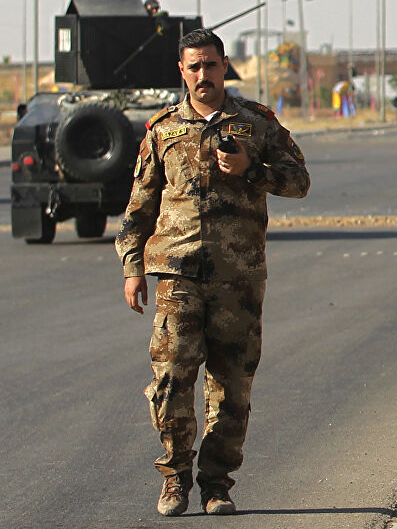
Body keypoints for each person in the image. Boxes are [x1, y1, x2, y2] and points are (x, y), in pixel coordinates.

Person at [118, 27, 312, 517]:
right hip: (177, 272)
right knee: (172, 378)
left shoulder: (256, 123)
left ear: (225, 66)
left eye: (211, 64)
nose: (203, 75)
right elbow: (139, 207)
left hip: (238, 275)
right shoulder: (162, 130)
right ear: (181, 72)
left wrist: (252, 168)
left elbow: (299, 182)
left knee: (232, 385)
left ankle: (216, 484)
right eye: (194, 67)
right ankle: (174, 479)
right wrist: (133, 266)